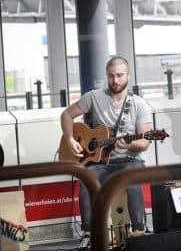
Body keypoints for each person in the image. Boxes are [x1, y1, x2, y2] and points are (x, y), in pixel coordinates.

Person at [60, 56, 153, 238]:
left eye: (119, 75)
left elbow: (145, 143)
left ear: (129, 75)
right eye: (111, 76)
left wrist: (131, 143)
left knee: (133, 181)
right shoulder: (93, 97)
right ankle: (88, 234)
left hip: (129, 159)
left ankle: (139, 232)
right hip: (100, 161)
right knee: (87, 181)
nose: (115, 80)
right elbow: (66, 115)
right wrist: (70, 139)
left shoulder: (139, 105)